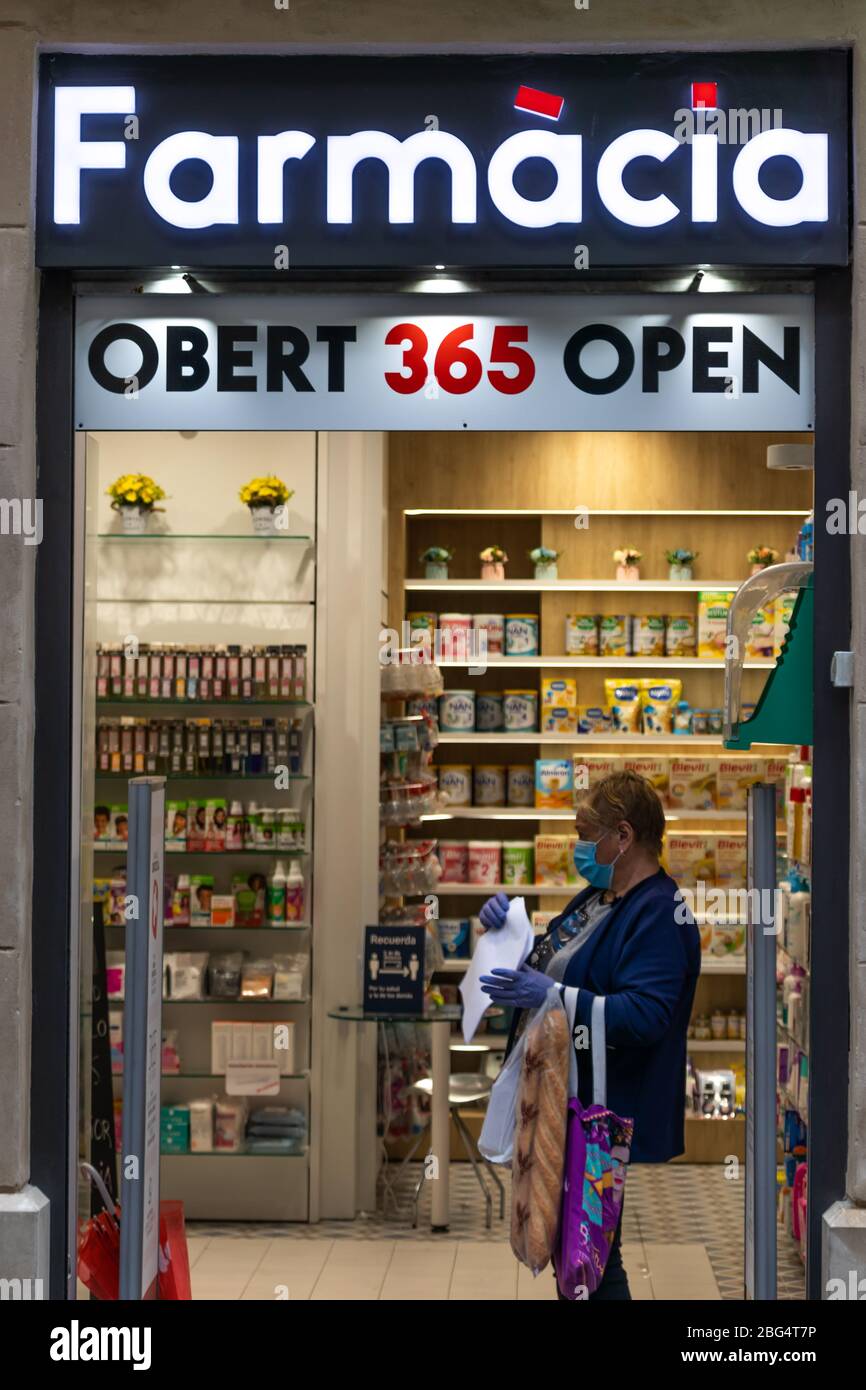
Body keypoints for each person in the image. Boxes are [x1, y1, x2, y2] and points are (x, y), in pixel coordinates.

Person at [479, 770, 700, 1301]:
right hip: (569, 1105)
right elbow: (556, 965)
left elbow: (645, 1015)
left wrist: (552, 997)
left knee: (591, 1256)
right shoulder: (601, 897)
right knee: (581, 1252)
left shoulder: (661, 912)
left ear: (622, 837)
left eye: (585, 833)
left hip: (604, 1119)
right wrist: (509, 928)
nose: (579, 846)